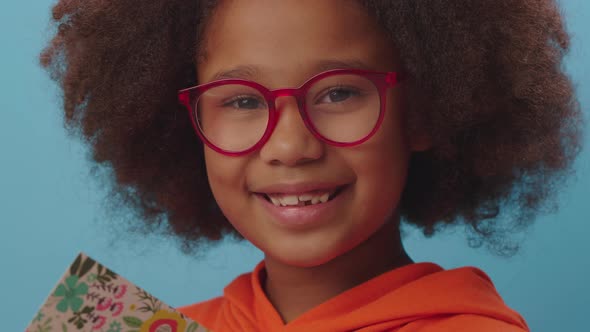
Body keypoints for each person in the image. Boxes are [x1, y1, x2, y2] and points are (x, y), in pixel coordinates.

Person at [40, 0, 583, 331]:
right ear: (186, 124)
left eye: (340, 93)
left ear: (422, 114)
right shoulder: (134, 325)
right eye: (243, 101)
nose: (290, 146)